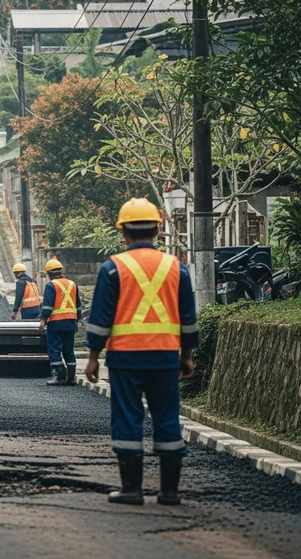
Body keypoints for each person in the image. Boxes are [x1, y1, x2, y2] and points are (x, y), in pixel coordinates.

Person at [85, 197, 198, 506]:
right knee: (166, 418)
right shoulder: (177, 268)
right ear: (158, 231)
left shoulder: (113, 269)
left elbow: (100, 317)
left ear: (123, 233)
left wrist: (93, 357)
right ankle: (170, 492)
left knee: (127, 418)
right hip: (164, 357)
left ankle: (132, 489)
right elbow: (188, 317)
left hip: (125, 358)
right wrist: (186, 356)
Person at [39, 258, 83, 386]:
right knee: (69, 350)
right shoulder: (72, 284)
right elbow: (78, 306)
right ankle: (71, 378)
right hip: (70, 323)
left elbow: (48, 306)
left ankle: (59, 376)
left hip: (56, 323)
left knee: (54, 349)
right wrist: (76, 320)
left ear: (49, 273)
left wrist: (43, 321)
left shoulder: (51, 285)